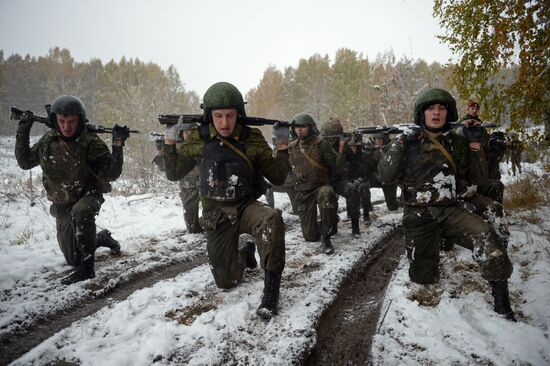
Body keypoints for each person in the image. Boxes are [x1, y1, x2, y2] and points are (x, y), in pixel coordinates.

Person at [378, 88, 516, 321]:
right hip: (419, 216)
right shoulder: (409, 142)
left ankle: (501, 298)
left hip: (450, 211)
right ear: (421, 114)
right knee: (423, 278)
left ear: (448, 113)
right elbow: (385, 176)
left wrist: (475, 148)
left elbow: (477, 179)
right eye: (430, 108)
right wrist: (400, 141)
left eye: (441, 108)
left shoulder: (457, 142)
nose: (436, 113)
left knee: (485, 235)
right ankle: (434, 248)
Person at [163, 82, 289, 320]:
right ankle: (244, 252)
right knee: (226, 282)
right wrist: (170, 142)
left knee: (271, 219)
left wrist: (282, 147)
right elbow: (174, 173)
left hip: (246, 206)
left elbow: (278, 177)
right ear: (209, 115)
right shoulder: (199, 139)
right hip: (216, 213)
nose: (224, 123)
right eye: (218, 116)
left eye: (230, 115)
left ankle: (271, 295)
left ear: (238, 114)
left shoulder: (251, 138)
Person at [15, 95, 126, 285]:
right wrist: (23, 130)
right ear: (55, 120)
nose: (66, 126)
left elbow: (112, 173)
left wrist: (117, 144)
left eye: (72, 122)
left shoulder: (91, 142)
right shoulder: (49, 140)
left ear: (80, 120)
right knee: (72, 258)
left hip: (88, 196)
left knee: (81, 211)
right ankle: (102, 238)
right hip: (63, 202)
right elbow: (25, 162)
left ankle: (87, 269)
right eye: (61, 121)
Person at [288, 113, 340, 254]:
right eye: (296, 127)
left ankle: (326, 236)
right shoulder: (291, 147)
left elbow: (336, 166)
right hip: (304, 192)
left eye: (303, 127)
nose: (299, 130)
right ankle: (331, 220)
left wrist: (334, 187)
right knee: (310, 237)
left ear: (310, 127)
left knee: (326, 193)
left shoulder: (321, 144)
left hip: (321, 187)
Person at [152, 124, 203, 233]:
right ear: (182, 133)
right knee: (190, 217)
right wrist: (161, 149)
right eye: (186, 132)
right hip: (187, 185)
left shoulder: (202, 145)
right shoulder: (179, 147)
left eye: (192, 132)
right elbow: (165, 168)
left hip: (205, 182)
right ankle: (195, 229)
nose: (189, 135)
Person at [320, 117, 362, 236]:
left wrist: (358, 146)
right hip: (323, 181)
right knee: (329, 199)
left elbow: (356, 162)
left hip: (338, 180)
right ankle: (332, 224)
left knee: (353, 190)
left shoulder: (343, 145)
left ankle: (355, 225)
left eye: (334, 138)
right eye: (328, 138)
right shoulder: (320, 146)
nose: (331, 141)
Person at [364, 133, 399, 212]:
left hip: (388, 179)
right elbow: (367, 166)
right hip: (374, 177)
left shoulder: (390, 149)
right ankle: (367, 209)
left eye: (380, 140)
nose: (378, 142)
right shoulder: (370, 150)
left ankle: (397, 204)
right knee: (363, 187)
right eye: (377, 140)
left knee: (392, 206)